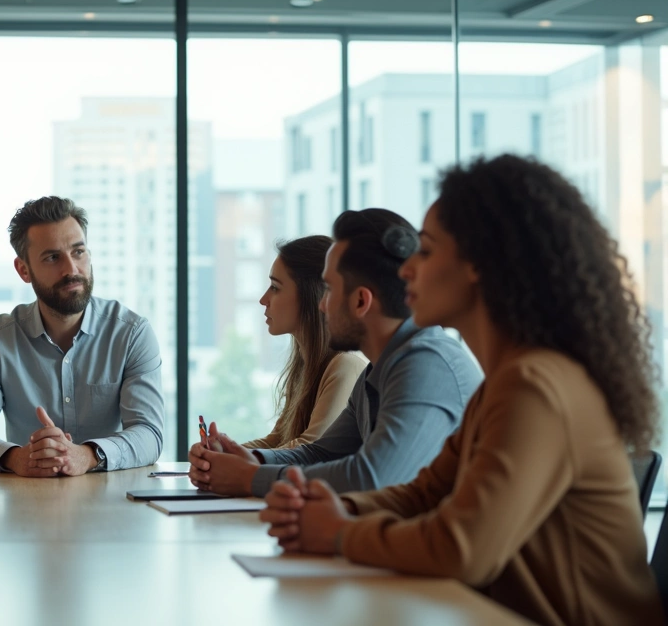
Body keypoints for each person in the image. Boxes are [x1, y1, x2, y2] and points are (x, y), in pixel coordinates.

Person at [259, 155, 663, 625]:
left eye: (426, 252)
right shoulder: (506, 384)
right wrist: (333, 507)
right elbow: (422, 494)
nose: (406, 271)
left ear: (478, 264)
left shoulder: (536, 386)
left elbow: (461, 548)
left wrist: (338, 533)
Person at [189, 208, 481, 497]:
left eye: (328, 289)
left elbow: (372, 476)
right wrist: (250, 460)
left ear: (360, 301)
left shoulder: (425, 365)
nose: (321, 305)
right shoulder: (376, 373)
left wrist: (251, 478)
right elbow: (320, 454)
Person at [0, 196, 164, 475]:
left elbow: (149, 433)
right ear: (23, 270)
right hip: (26, 502)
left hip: (112, 504)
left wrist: (86, 455)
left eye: (78, 252)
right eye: (52, 258)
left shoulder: (132, 334)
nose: (71, 270)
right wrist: (17, 458)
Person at [216, 236, 366, 452]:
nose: (263, 299)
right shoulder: (303, 367)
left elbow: (309, 449)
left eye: (275, 288)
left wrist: (233, 459)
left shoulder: (345, 366)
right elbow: (277, 440)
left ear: (310, 295)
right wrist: (224, 452)